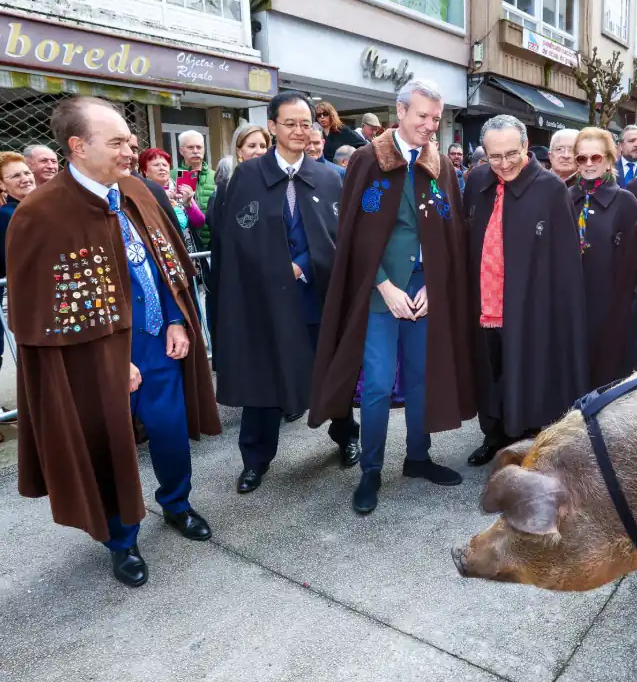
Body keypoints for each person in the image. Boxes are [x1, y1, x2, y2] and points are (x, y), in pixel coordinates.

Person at [7, 97, 220, 587]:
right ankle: (121, 542)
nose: (131, 149)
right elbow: (33, 310)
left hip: (157, 343)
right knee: (109, 449)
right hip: (93, 363)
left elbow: (165, 263)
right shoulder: (39, 213)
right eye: (118, 141)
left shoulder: (138, 191)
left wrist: (176, 320)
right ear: (78, 147)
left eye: (129, 139)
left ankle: (178, 504)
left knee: (169, 431)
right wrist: (107, 361)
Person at [310, 79, 474, 514]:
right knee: (379, 385)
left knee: (422, 380)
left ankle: (417, 458)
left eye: (436, 118)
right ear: (400, 112)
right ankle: (371, 470)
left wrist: (434, 288)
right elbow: (356, 234)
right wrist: (383, 284)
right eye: (422, 116)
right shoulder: (368, 159)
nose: (429, 125)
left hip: (424, 289)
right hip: (380, 291)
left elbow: (450, 232)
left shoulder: (440, 165)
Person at [208, 90, 361, 493]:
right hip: (263, 303)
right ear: (272, 126)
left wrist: (305, 263)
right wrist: (272, 268)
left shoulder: (330, 177)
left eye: (305, 123)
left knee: (331, 375)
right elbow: (234, 240)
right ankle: (255, 460)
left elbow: (340, 239)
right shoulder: (247, 176)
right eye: (289, 123)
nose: (298, 130)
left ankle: (347, 437)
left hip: (315, 299)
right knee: (263, 383)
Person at [463, 115, 588, 467]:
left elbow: (564, 261)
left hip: (531, 304)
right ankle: (494, 435)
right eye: (494, 157)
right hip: (485, 302)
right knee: (491, 372)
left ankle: (528, 441)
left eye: (511, 154)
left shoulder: (551, 188)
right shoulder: (476, 181)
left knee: (529, 371)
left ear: (526, 147)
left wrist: (559, 312)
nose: (503, 164)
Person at [569, 127, 637, 389]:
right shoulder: (567, 197)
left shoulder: (625, 202)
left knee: (608, 376)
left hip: (611, 306)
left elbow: (634, 260)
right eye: (581, 158)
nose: (588, 164)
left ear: (609, 159)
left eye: (595, 158)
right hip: (574, 303)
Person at [0, 152, 36, 383]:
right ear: (2, 184)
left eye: (26, 172)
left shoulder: (32, 207)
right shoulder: (7, 215)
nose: (24, 178)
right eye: (15, 176)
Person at [172, 130, 216, 214]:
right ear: (181, 151)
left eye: (199, 147)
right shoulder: (171, 176)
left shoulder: (215, 176)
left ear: (204, 149)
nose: (195, 151)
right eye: (190, 147)